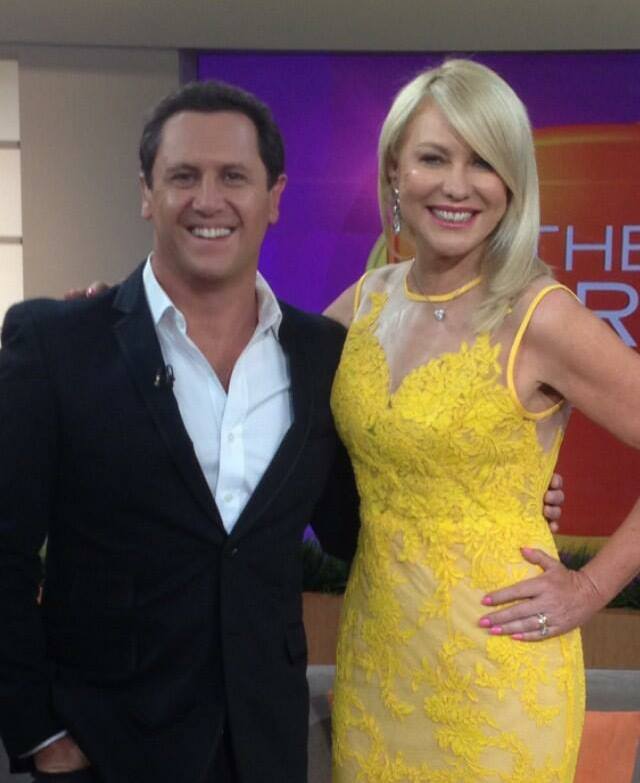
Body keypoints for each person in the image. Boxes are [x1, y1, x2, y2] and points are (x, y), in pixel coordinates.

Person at [0, 80, 361, 783]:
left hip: (264, 747)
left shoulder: (323, 355)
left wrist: (509, 487)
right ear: (147, 193)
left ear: (274, 197)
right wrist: (39, 730)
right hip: (103, 752)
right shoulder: (56, 343)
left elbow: (357, 529)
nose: (208, 199)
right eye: (184, 176)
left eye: (234, 177)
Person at [325, 58, 640, 782]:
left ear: (513, 184)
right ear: (395, 172)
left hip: (500, 675)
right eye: (434, 158)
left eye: (484, 163)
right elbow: (256, 385)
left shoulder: (541, 316)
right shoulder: (367, 300)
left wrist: (591, 589)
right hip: (378, 665)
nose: (458, 185)